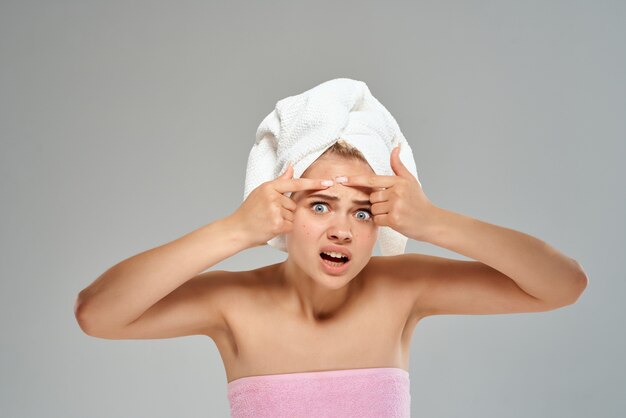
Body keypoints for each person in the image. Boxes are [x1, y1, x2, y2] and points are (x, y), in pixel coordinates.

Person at [75, 128, 588, 417]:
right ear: (283, 210)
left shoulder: (401, 289)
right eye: (320, 206)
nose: (342, 229)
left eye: (362, 212)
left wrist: (437, 222)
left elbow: (563, 285)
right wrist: (235, 230)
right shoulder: (233, 304)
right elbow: (97, 314)